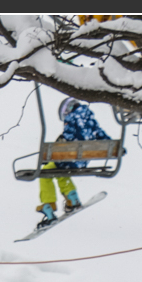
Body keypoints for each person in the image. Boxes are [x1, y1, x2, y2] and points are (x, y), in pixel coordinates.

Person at [36, 97, 110, 228]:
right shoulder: (90, 119)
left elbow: (68, 137)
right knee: (60, 171)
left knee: (45, 172)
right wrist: (113, 148)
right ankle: (72, 199)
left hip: (71, 158)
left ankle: (49, 207)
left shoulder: (71, 118)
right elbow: (101, 135)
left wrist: (60, 141)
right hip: (81, 161)